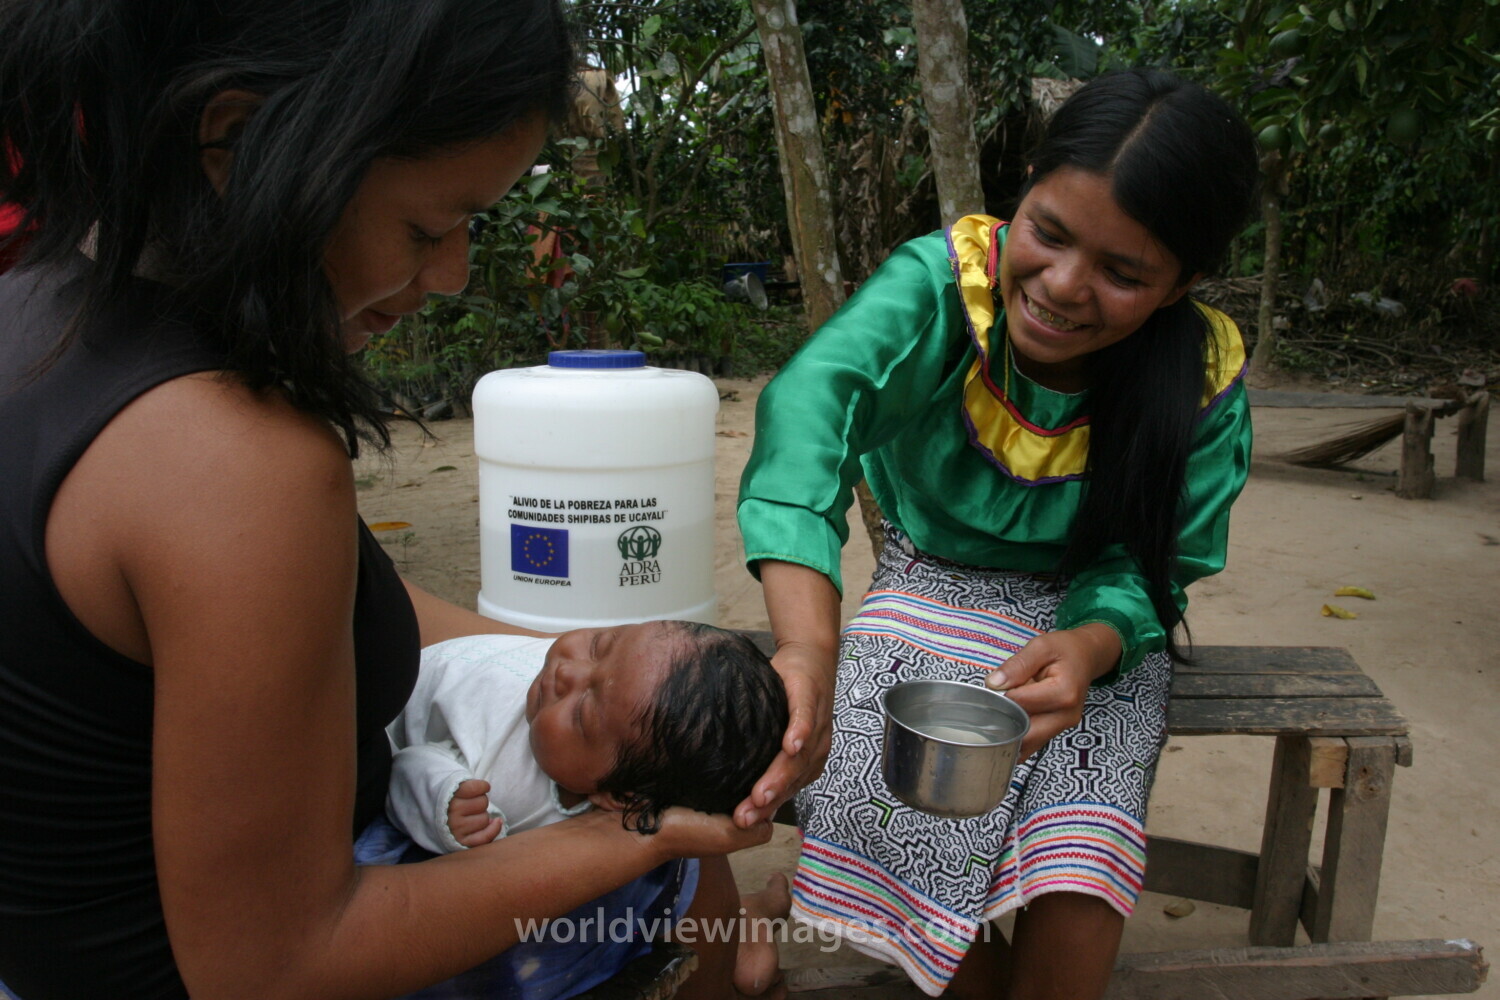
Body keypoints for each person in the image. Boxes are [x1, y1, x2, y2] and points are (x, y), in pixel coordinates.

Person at [0, 3, 776, 999]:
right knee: (688, 876)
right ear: (238, 140)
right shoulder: (235, 463)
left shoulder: (44, 301)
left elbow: (332, 612)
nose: (450, 276)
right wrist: (640, 832)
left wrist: (609, 670)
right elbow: (274, 968)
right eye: (430, 225)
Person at [734, 69, 1260, 999]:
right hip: (929, 579)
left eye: (1123, 272)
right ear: (1022, 187)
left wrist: (1091, 646)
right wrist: (809, 648)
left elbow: (1156, 565)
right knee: (882, 784)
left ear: (1185, 282)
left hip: (1100, 619)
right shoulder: (940, 288)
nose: (1061, 286)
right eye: (1049, 233)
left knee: (1083, 850)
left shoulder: (1203, 377)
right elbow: (808, 417)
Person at [384, 623, 788, 851]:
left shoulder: (507, 791)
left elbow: (406, 762)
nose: (567, 672)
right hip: (403, 694)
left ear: (618, 798)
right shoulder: (501, 769)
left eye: (582, 714)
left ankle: (744, 920)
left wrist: (443, 796)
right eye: (599, 644)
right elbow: (409, 763)